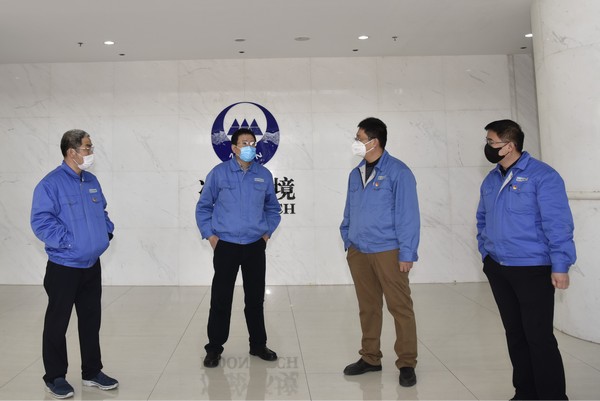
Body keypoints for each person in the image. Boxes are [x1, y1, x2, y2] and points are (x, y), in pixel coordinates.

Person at [476, 119, 575, 400]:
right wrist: (486, 253)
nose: (487, 146)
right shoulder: (491, 179)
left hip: (532, 268)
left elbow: (558, 223)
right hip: (499, 267)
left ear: (509, 146)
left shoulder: (543, 176)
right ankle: (525, 392)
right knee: (515, 334)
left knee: (538, 337)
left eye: (491, 142)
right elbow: (482, 219)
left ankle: (553, 396)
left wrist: (560, 265)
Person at [30, 129, 118, 399]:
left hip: (91, 265)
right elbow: (41, 221)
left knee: (91, 321)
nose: (91, 152)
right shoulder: (50, 184)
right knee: (57, 323)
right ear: (72, 152)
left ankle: (92, 371)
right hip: (64, 266)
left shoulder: (91, 180)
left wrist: (106, 232)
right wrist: (70, 243)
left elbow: (102, 211)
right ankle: (55, 377)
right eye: (87, 148)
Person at [340, 117, 420, 387]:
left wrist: (407, 252)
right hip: (359, 251)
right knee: (368, 307)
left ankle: (406, 362)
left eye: (359, 138)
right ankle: (370, 357)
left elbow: (408, 215)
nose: (355, 142)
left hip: (388, 250)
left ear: (374, 142)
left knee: (400, 307)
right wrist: (347, 237)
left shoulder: (399, 172)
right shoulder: (356, 173)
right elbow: (349, 210)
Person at [196, 127, 282, 368]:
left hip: (255, 245)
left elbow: (273, 208)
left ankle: (258, 345)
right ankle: (214, 348)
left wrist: (266, 234)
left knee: (255, 299)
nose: (250, 147)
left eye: (253, 143)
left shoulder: (263, 175)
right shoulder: (219, 173)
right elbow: (204, 207)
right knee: (221, 299)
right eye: (245, 143)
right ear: (234, 148)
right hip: (226, 246)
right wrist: (211, 236)